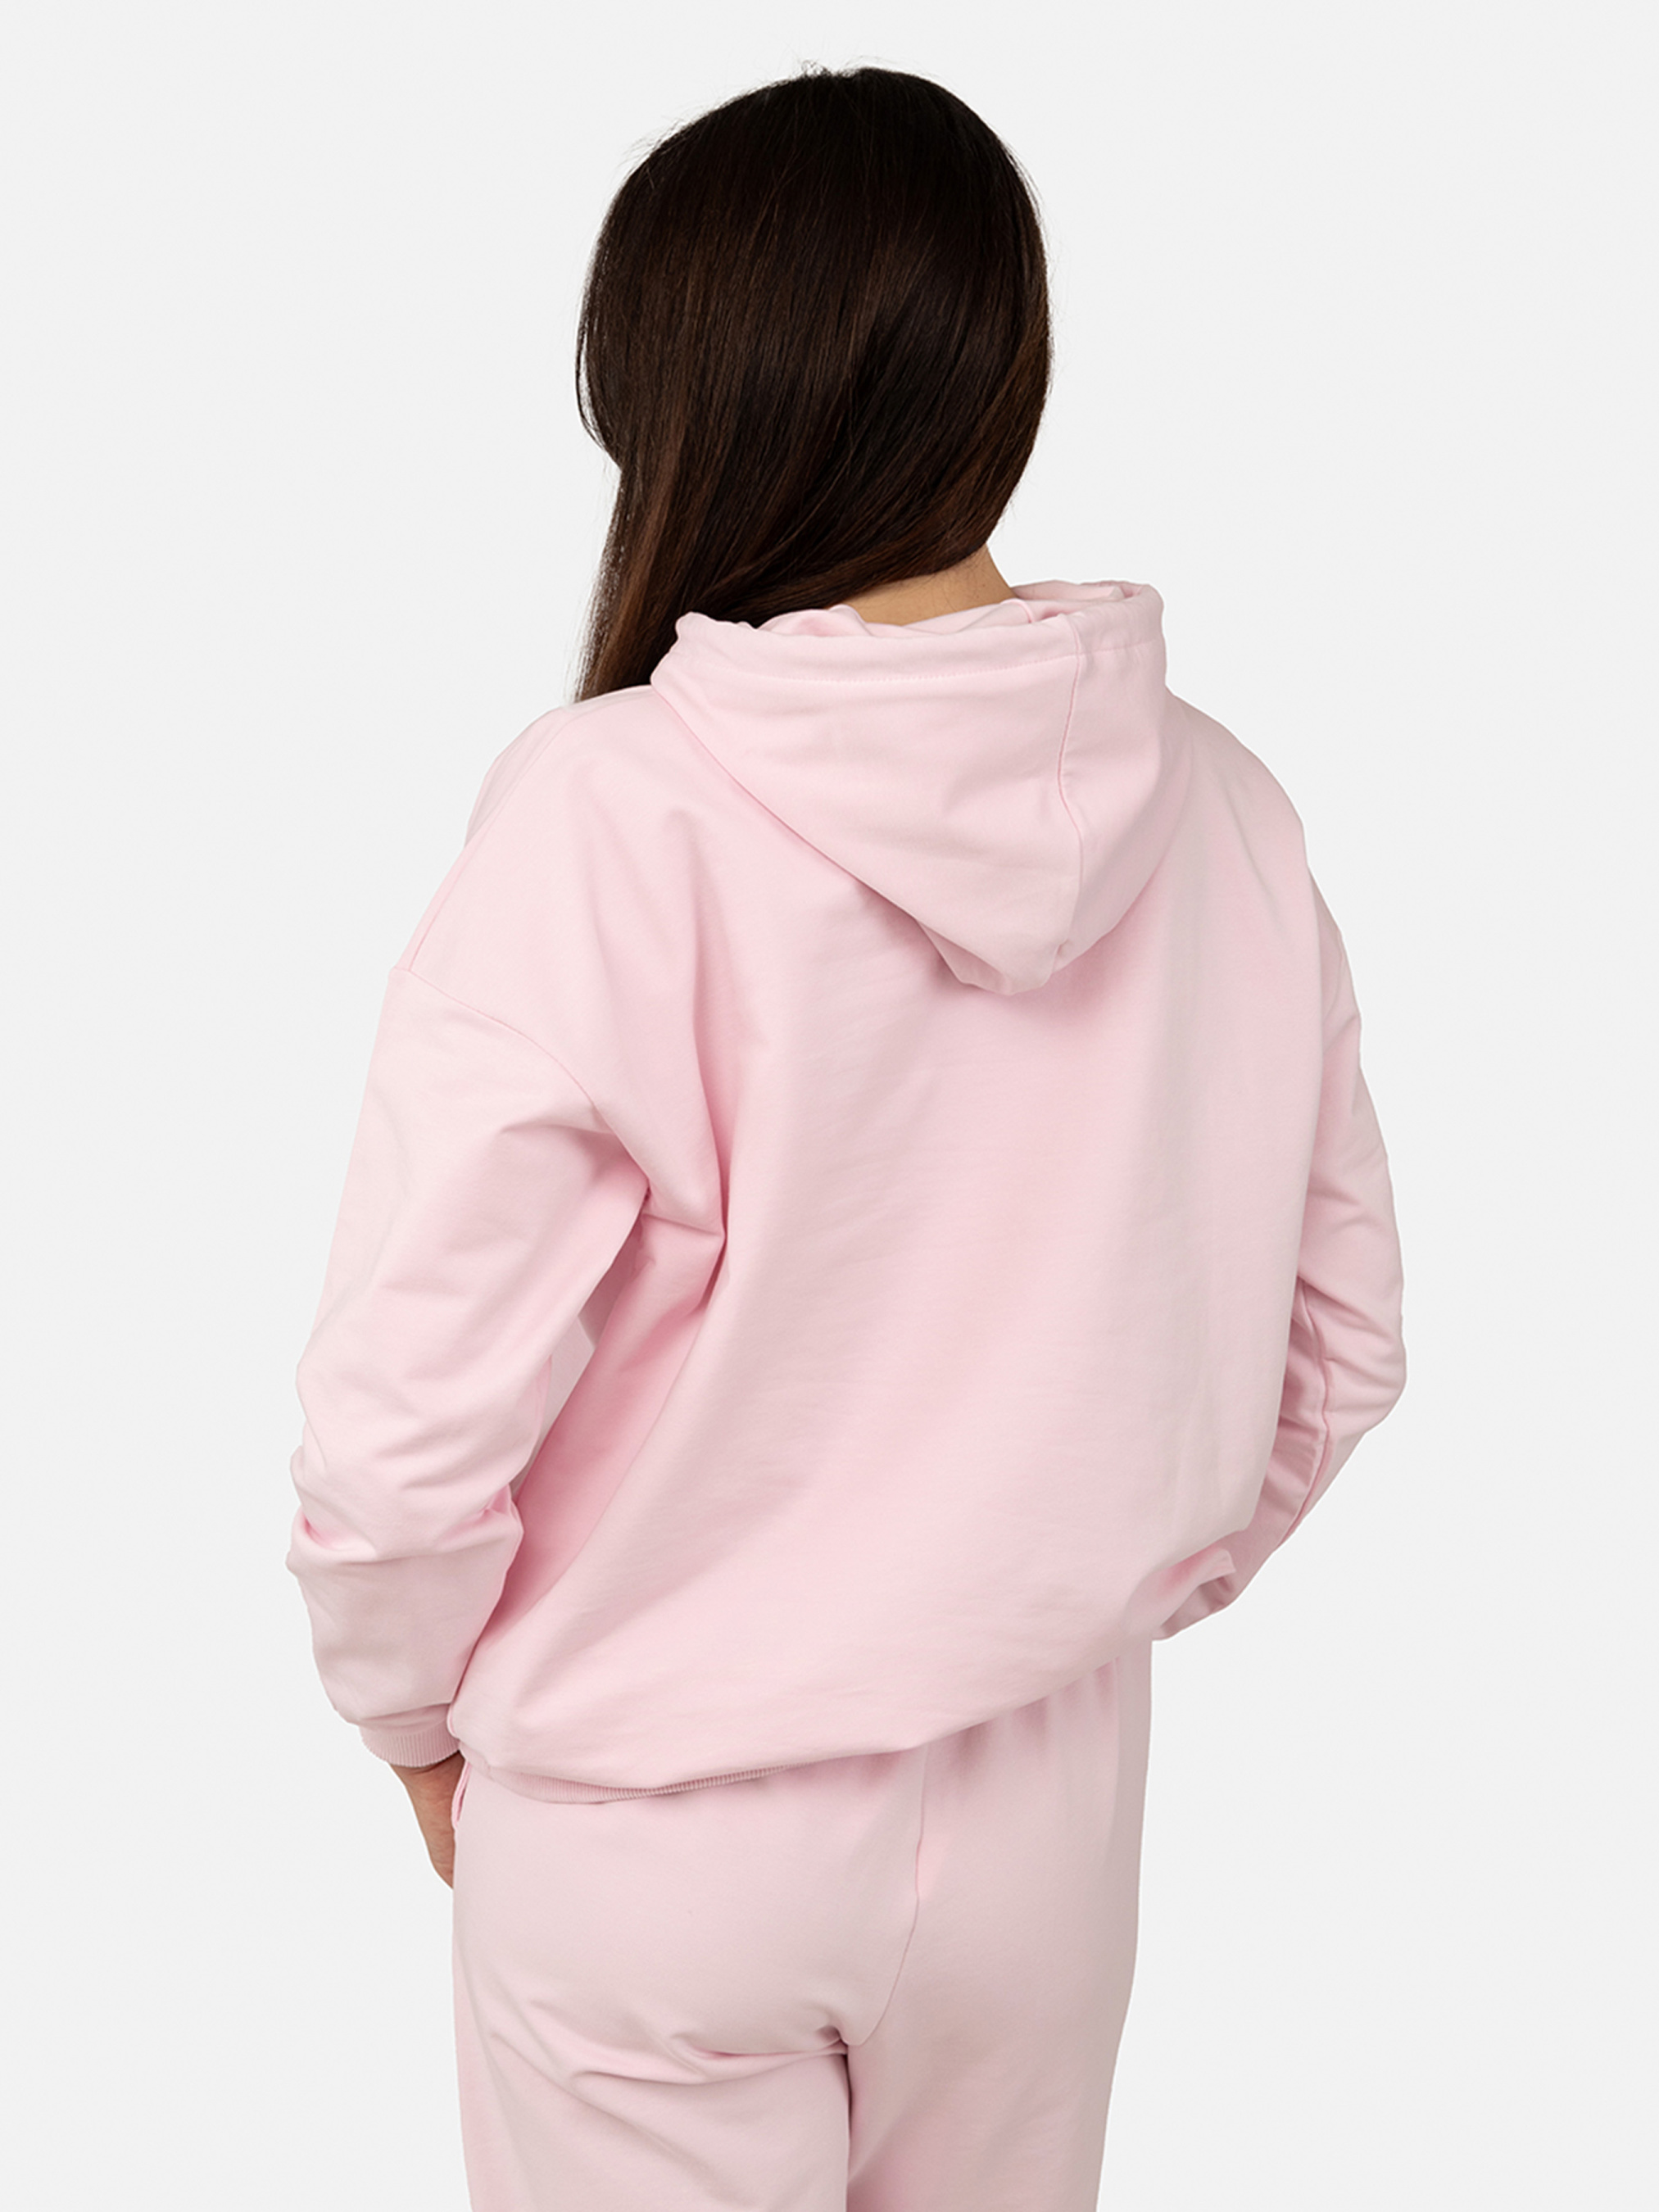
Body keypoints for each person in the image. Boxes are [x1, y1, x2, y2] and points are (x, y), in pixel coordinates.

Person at [284, 61, 1407, 2212]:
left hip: (652, 1823)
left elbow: (406, 1417)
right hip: (1047, 1817)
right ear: (999, 370)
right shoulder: (1224, 806)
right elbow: (1336, 1345)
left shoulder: (614, 809)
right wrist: (1068, 1583)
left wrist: (408, 1715)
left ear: (678, 396)